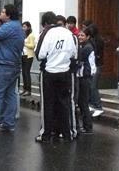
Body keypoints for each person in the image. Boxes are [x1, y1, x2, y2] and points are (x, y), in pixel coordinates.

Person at [34, 11, 78, 143]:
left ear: (46, 23)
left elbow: (39, 55)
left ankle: (46, 134)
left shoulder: (46, 33)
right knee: (66, 103)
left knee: (47, 104)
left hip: (49, 72)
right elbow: (74, 55)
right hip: (65, 72)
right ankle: (68, 133)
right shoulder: (69, 34)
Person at [0, 4, 24, 132]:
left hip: (3, 64)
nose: (0, 14)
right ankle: (8, 122)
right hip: (14, 64)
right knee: (10, 94)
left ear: (8, 15)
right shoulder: (18, 27)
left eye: (2, 12)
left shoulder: (8, 27)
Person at [76, 28, 96, 135]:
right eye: (79, 35)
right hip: (83, 76)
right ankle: (86, 126)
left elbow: (79, 60)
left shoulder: (87, 48)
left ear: (88, 37)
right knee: (82, 102)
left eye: (82, 35)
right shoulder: (83, 46)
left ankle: (88, 126)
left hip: (85, 76)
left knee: (83, 102)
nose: (80, 37)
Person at [83, 22, 105, 117]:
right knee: (90, 86)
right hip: (93, 65)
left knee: (93, 86)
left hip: (97, 65)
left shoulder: (98, 41)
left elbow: (96, 53)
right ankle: (92, 104)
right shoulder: (92, 40)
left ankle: (98, 107)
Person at [21, 21, 35, 96]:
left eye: (24, 27)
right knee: (23, 72)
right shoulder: (24, 35)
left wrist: (25, 44)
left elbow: (32, 46)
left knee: (27, 72)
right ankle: (24, 89)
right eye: (22, 27)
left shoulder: (31, 35)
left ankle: (28, 90)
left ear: (28, 27)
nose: (23, 28)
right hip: (23, 55)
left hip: (29, 56)